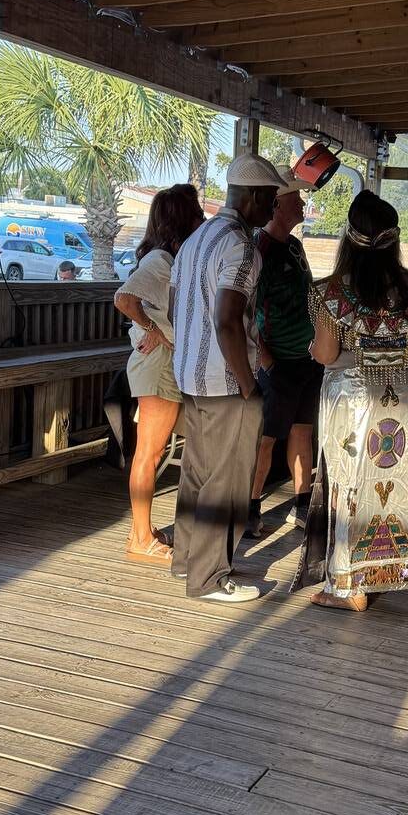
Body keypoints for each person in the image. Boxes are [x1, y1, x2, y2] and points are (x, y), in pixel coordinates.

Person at [293, 191, 408, 613]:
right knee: (389, 481)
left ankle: (346, 585)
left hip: (347, 396)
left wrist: (312, 348)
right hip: (396, 395)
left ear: (350, 235)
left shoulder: (330, 292)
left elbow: (326, 354)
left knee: (347, 482)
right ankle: (379, 572)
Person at [169, 152, 281, 603]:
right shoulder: (240, 245)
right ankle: (210, 577)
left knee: (196, 472)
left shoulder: (197, 238)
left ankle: (185, 561)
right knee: (226, 480)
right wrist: (248, 384)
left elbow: (179, 308)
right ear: (253, 196)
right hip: (227, 382)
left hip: (191, 377)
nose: (274, 209)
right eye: (271, 200)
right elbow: (228, 320)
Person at [113, 183, 204, 567]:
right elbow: (124, 299)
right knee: (148, 455)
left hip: (163, 362)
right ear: (183, 219)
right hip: (159, 364)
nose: (202, 218)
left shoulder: (169, 258)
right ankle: (139, 537)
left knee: (150, 453)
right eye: (196, 212)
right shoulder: (160, 261)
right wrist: (153, 330)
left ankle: (145, 532)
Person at [248, 172, 321, 539]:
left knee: (303, 431)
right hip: (277, 360)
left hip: (307, 357)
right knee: (266, 438)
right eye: (297, 200)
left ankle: (302, 503)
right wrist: (265, 359)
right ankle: (250, 507)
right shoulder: (260, 250)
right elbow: (249, 310)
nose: (303, 205)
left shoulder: (295, 246)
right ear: (277, 204)